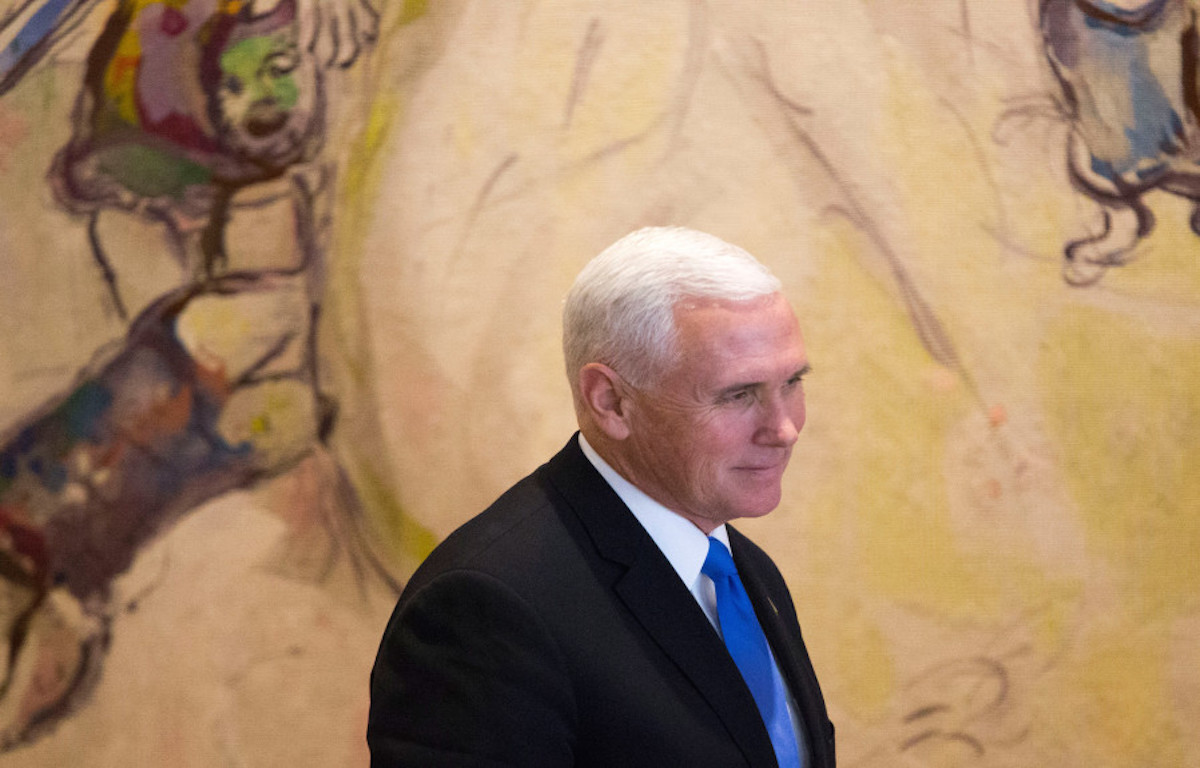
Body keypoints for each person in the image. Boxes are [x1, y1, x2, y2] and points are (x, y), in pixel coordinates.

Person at [368, 226, 836, 767]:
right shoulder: (483, 610)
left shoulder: (743, 570)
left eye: (792, 383)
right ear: (611, 401)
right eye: (738, 395)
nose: (784, 429)